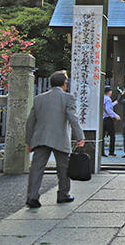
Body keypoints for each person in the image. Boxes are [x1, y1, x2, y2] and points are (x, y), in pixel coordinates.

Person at [25, 70, 85, 208]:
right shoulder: (67, 98)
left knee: (36, 168)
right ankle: (63, 194)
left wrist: (29, 141)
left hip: (40, 138)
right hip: (60, 138)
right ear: (64, 83)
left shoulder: (39, 98)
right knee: (63, 168)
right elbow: (72, 118)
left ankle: (32, 196)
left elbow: (30, 122)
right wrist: (79, 137)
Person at [102, 86, 120, 156]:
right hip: (108, 119)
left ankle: (102, 152)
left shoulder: (102, 97)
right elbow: (108, 109)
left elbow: (107, 107)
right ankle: (111, 151)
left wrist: (115, 103)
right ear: (109, 92)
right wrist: (116, 116)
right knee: (112, 136)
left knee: (102, 136)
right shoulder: (108, 99)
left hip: (102, 119)